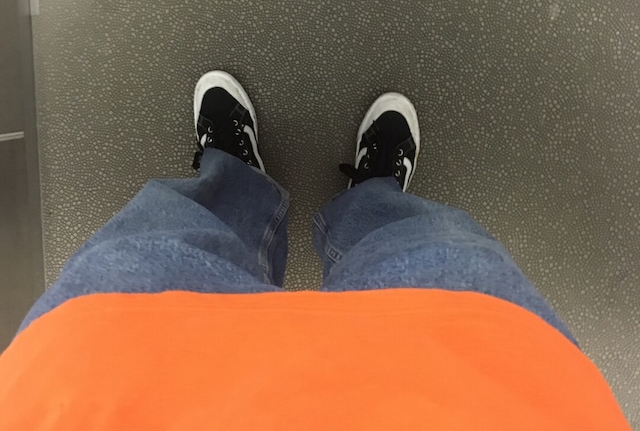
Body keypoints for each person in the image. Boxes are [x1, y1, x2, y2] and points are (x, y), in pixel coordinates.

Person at [0, 70, 631, 430]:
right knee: (432, 255)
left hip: (106, 383)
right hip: (480, 393)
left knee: (166, 239)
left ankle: (234, 174)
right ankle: (374, 193)